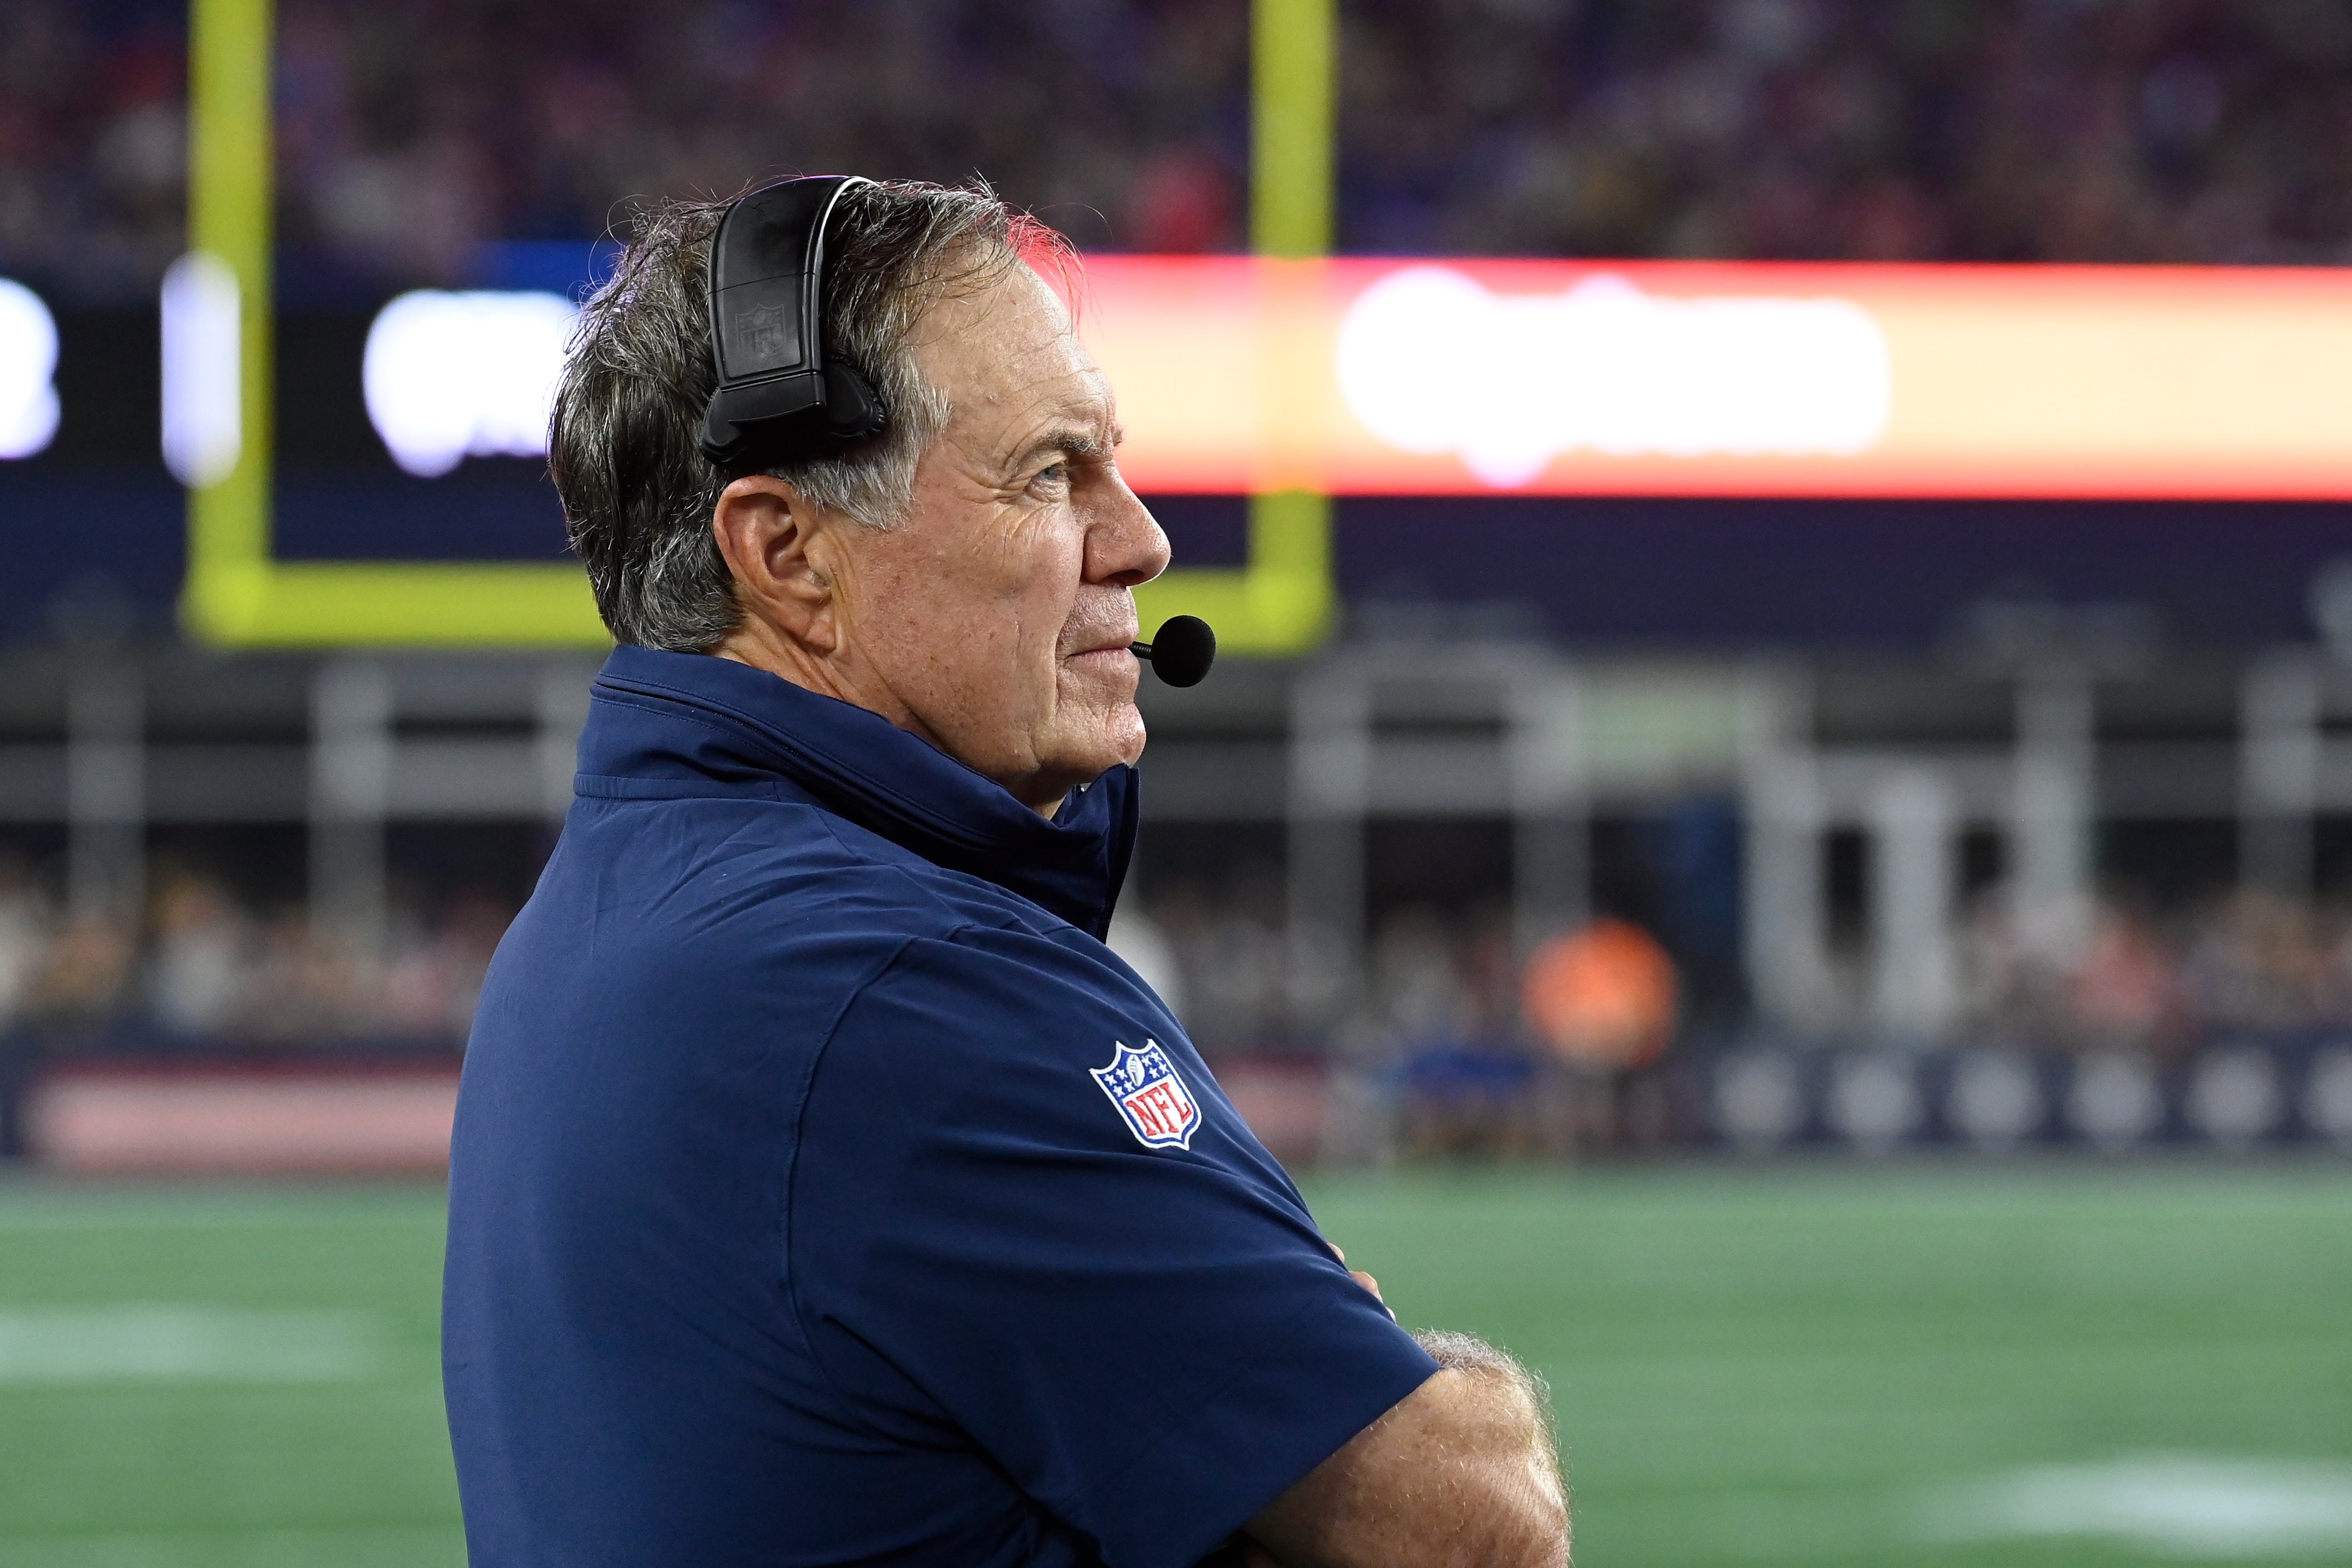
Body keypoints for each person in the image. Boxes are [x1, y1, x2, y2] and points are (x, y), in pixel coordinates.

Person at [442, 177, 1566, 1568]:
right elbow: (1472, 1527)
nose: (1142, 538)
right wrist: (1396, 1369)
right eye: (1048, 473)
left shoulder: (625, 907)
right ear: (787, 553)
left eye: (1111, 458)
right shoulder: (901, 984)